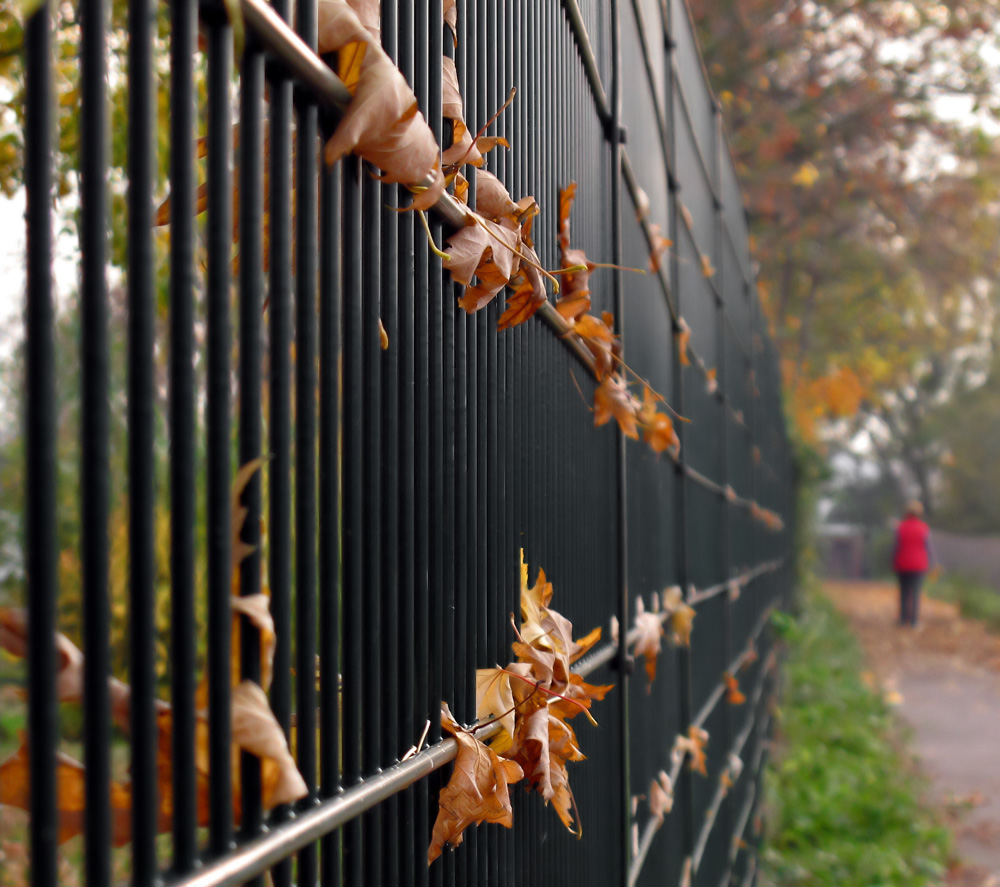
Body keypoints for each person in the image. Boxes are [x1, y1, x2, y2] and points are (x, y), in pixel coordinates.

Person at [892, 501, 934, 627]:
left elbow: (895, 547)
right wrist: (933, 562)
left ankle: (903, 619)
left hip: (902, 564)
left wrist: (893, 561)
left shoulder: (900, 527)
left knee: (904, 592)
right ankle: (914, 621)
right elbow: (929, 547)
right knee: (915, 593)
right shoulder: (923, 528)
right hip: (918, 565)